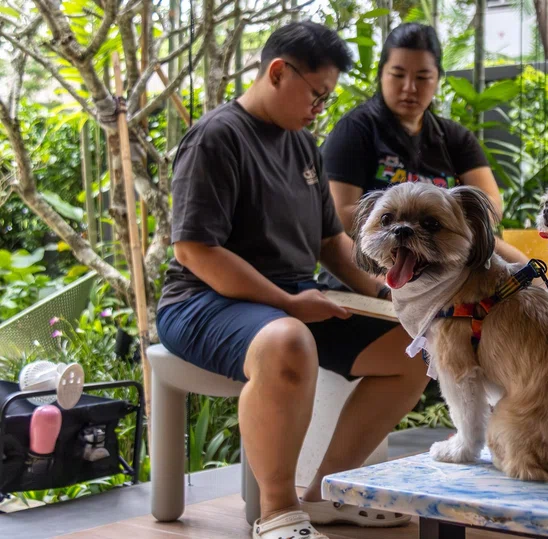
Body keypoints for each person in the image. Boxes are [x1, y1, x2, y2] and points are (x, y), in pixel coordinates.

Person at [155, 22, 427, 539]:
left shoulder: (302, 146)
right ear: (278, 72)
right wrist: (287, 302)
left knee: (412, 349)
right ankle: (277, 513)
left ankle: (326, 494)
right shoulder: (217, 137)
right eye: (317, 95)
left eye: (327, 99)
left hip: (289, 299)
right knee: (287, 339)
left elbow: (330, 242)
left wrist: (390, 296)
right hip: (201, 301)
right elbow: (194, 250)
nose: (318, 108)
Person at [318, 22, 528, 285]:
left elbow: (490, 205)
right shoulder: (355, 130)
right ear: (381, 74)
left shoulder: (454, 137)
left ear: (437, 79)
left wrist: (443, 224)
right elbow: (340, 211)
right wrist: (399, 219)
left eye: (422, 77)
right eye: (397, 74)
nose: (409, 87)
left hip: (443, 256)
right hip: (374, 264)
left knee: (529, 276)